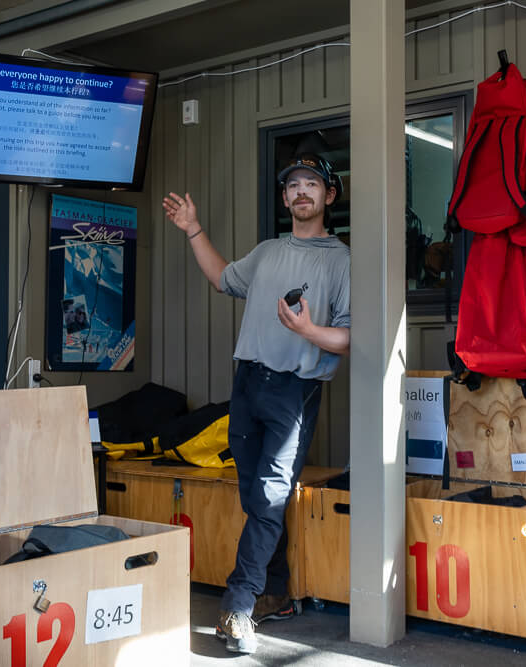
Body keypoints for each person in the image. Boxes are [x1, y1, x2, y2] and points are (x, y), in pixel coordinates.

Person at [162, 153, 351, 654]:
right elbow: (224, 278)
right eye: (293, 185)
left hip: (294, 389)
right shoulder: (267, 251)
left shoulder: (342, 260)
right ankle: (276, 592)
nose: (301, 192)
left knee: (268, 495)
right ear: (285, 197)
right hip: (247, 382)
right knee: (256, 496)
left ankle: (238, 607)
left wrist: (310, 331)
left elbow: (350, 337)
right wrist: (193, 230)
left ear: (329, 196)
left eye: (312, 184)